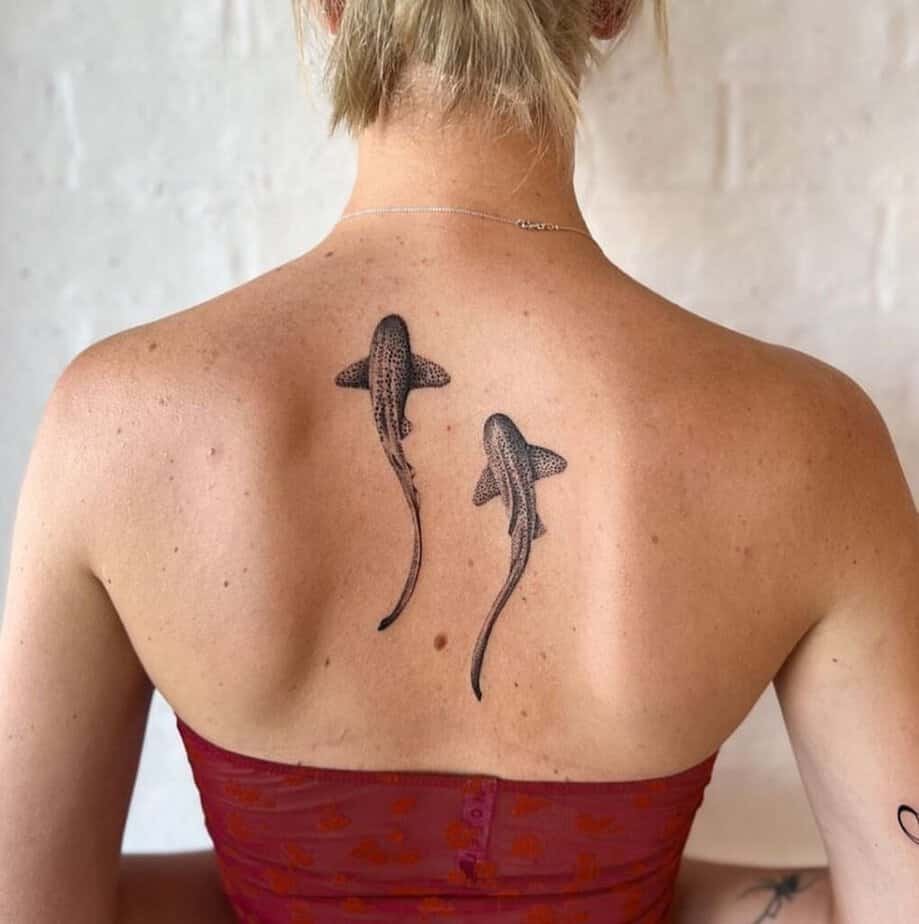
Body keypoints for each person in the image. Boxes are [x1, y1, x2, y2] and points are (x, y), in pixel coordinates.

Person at [1, 1, 917, 922]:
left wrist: (278, 877)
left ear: (326, 7)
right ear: (610, 9)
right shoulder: (813, 444)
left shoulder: (115, 424)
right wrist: (619, 886)